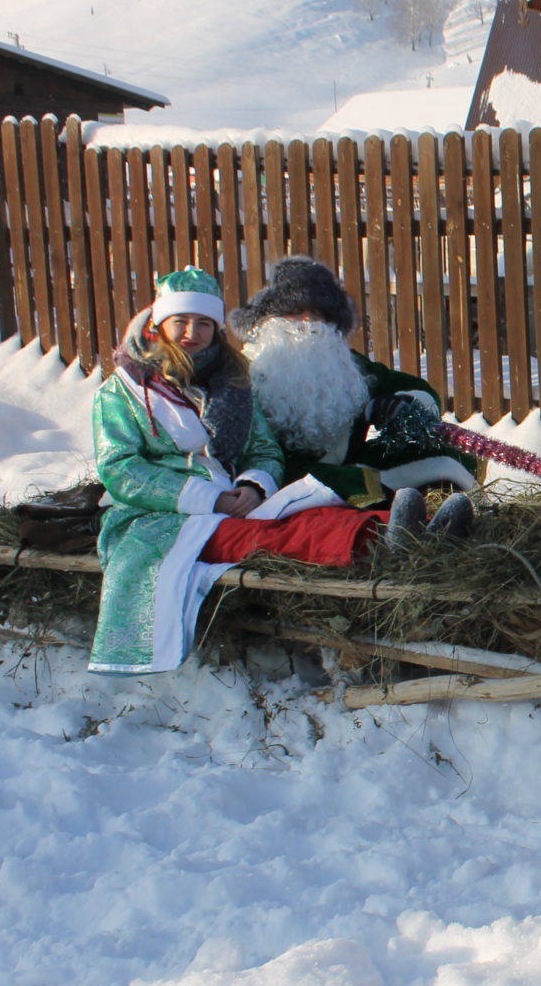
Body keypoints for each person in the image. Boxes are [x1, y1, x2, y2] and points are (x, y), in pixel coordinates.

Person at [88, 268, 465, 676]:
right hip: (163, 518)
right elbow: (120, 468)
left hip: (235, 498)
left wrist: (253, 483)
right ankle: (388, 541)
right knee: (279, 535)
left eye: (202, 324)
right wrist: (208, 497)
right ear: (159, 323)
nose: (191, 333)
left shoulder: (230, 383)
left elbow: (262, 448)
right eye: (181, 321)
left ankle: (413, 528)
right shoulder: (122, 391)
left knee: (312, 519)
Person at [228, 257, 483, 510]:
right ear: (269, 319)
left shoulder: (347, 365)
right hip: (282, 480)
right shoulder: (247, 369)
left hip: (353, 471)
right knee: (350, 483)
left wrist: (400, 404)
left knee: (449, 453)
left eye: (318, 313)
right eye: (294, 311)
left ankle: (441, 515)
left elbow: (417, 389)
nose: (307, 321)